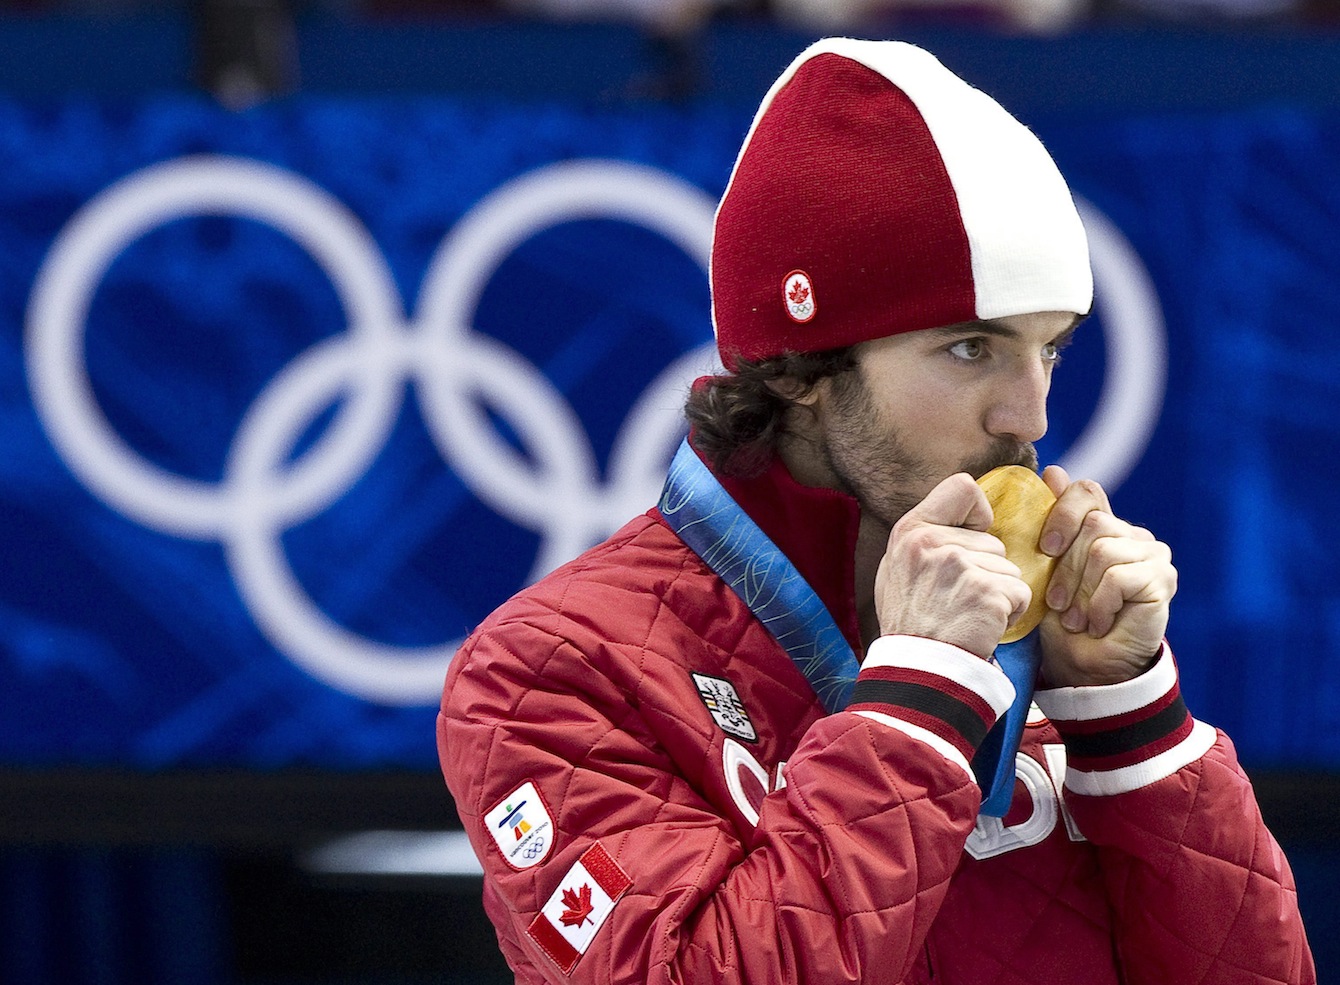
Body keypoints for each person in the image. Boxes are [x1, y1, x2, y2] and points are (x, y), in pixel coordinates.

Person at [438, 37, 1315, 984]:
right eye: (972, 349)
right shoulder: (549, 669)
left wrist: (1131, 713)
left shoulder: (1056, 649)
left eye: (1050, 349)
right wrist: (920, 697)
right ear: (806, 368)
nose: (1033, 416)